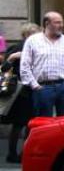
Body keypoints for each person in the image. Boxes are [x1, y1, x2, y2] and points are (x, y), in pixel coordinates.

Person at [20, 11, 64, 117]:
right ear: (47, 23)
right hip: (43, 88)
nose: (61, 25)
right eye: (57, 22)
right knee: (43, 124)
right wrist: (35, 86)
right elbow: (25, 66)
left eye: (62, 23)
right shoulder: (32, 41)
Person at [1, 23, 40, 163]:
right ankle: (16, 154)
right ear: (27, 35)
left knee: (24, 124)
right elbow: (4, 68)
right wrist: (12, 58)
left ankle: (20, 154)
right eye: (35, 33)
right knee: (22, 124)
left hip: (28, 91)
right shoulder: (18, 47)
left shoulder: (35, 47)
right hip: (20, 92)